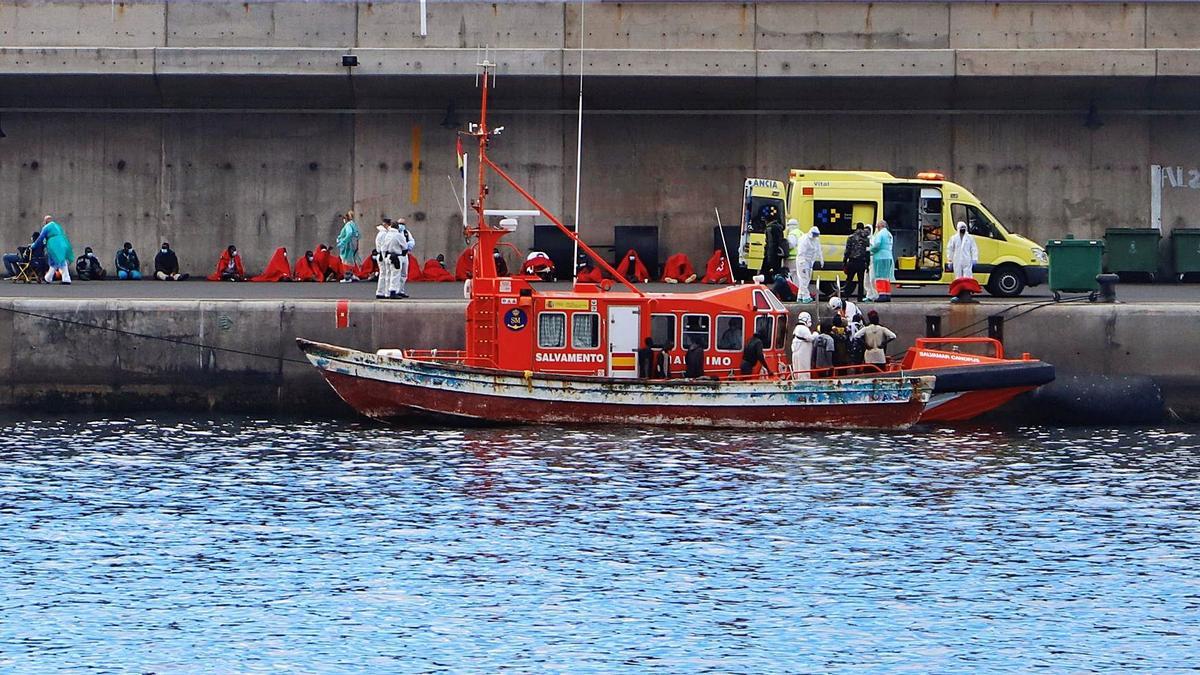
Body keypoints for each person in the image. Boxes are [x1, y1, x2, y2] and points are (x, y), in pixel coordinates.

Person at [32, 215, 73, 285]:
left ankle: (66, 279)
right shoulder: (57, 226)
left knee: (59, 261)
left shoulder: (46, 227)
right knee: (54, 262)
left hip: (54, 244)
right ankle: (48, 278)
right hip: (63, 242)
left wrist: (33, 245)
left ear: (45, 221)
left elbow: (40, 238)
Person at [793, 226, 823, 303]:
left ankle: (800, 297)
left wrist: (821, 260)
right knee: (803, 279)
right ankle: (806, 296)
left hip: (810, 262)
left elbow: (819, 250)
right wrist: (802, 264)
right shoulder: (804, 240)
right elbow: (801, 253)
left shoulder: (816, 240)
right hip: (802, 261)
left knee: (806, 280)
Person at [387, 218, 416, 299]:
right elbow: (404, 245)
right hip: (398, 255)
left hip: (404, 254)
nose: (401, 225)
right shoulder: (396, 234)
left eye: (403, 224)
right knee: (395, 274)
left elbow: (411, 242)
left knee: (403, 274)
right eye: (400, 223)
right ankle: (393, 291)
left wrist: (408, 246)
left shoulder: (406, 233)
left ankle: (400, 290)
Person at [843, 222, 872, 302]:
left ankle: (846, 296)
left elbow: (847, 251)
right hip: (861, 262)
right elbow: (867, 252)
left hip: (852, 262)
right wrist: (868, 263)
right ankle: (860, 298)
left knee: (849, 280)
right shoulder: (866, 239)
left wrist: (844, 261)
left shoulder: (851, 237)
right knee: (861, 281)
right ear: (863, 228)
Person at [868, 219, 894, 302]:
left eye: (877, 226)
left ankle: (882, 294)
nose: (876, 228)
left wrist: (870, 249)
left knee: (879, 277)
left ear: (880, 226)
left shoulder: (880, 234)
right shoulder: (889, 234)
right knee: (886, 277)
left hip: (880, 257)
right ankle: (887, 294)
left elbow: (877, 245)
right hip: (888, 256)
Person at [336, 210, 361, 283]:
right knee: (351, 260)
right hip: (353, 244)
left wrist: (343, 241)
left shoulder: (348, 225)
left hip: (348, 245)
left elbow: (349, 233)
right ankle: (352, 274)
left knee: (345, 261)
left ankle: (347, 277)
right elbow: (358, 235)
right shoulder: (353, 224)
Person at [791, 311, 815, 379]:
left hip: (798, 352)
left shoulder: (797, 328)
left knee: (797, 369)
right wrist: (816, 334)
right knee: (804, 368)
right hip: (803, 354)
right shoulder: (803, 328)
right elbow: (810, 338)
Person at [374, 222, 393, 299]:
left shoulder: (380, 233)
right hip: (383, 255)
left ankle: (381, 291)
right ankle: (384, 292)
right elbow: (384, 246)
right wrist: (383, 255)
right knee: (385, 274)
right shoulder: (384, 234)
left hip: (380, 254)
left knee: (383, 274)